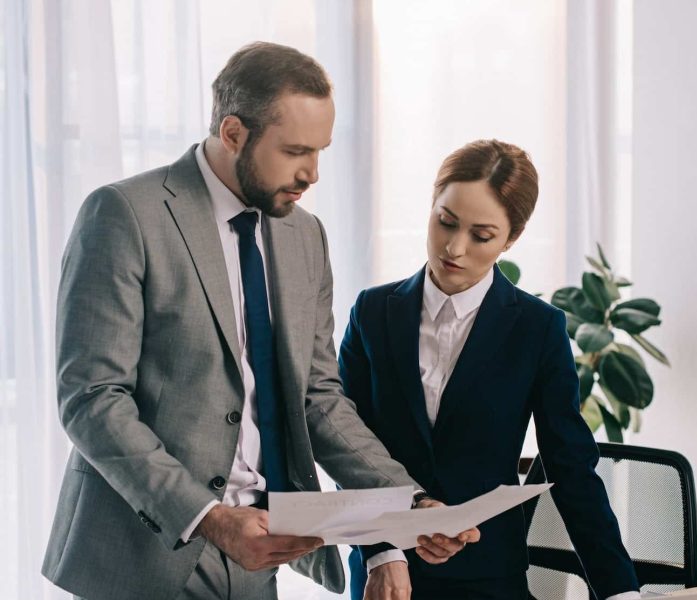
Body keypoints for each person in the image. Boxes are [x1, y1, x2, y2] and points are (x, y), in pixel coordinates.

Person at [41, 42, 478, 600]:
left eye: (320, 151)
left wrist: (406, 504)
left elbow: (318, 396)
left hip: (259, 554)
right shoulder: (125, 215)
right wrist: (209, 517)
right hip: (142, 551)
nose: (313, 173)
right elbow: (93, 398)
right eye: (295, 150)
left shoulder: (304, 235)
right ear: (232, 133)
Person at [339, 139, 642, 600]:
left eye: (481, 236)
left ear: (511, 238)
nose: (454, 248)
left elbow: (571, 465)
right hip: (386, 573)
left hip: (487, 579)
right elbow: (347, 444)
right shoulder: (373, 312)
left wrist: (620, 591)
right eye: (445, 222)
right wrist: (383, 552)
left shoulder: (539, 328)